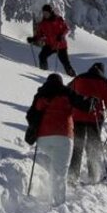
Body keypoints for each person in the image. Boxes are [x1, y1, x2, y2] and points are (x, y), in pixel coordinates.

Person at [24, 74, 92, 204]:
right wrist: (92, 101)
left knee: (56, 165)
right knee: (61, 171)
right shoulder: (67, 92)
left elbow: (30, 115)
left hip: (43, 139)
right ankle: (59, 204)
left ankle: (51, 193)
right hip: (63, 136)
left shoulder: (41, 94)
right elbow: (84, 105)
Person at [67, 62, 107, 184]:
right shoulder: (105, 82)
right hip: (94, 119)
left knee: (78, 147)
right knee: (92, 147)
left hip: (77, 117)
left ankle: (72, 176)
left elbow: (68, 91)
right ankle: (93, 176)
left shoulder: (79, 78)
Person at [27, 4, 75, 76]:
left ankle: (73, 77)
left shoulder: (58, 20)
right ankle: (43, 73)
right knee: (42, 56)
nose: (45, 14)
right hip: (50, 45)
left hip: (60, 45)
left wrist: (61, 35)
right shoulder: (43, 23)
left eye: (46, 13)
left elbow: (66, 28)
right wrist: (34, 39)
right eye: (44, 13)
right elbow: (40, 34)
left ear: (50, 12)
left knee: (65, 63)